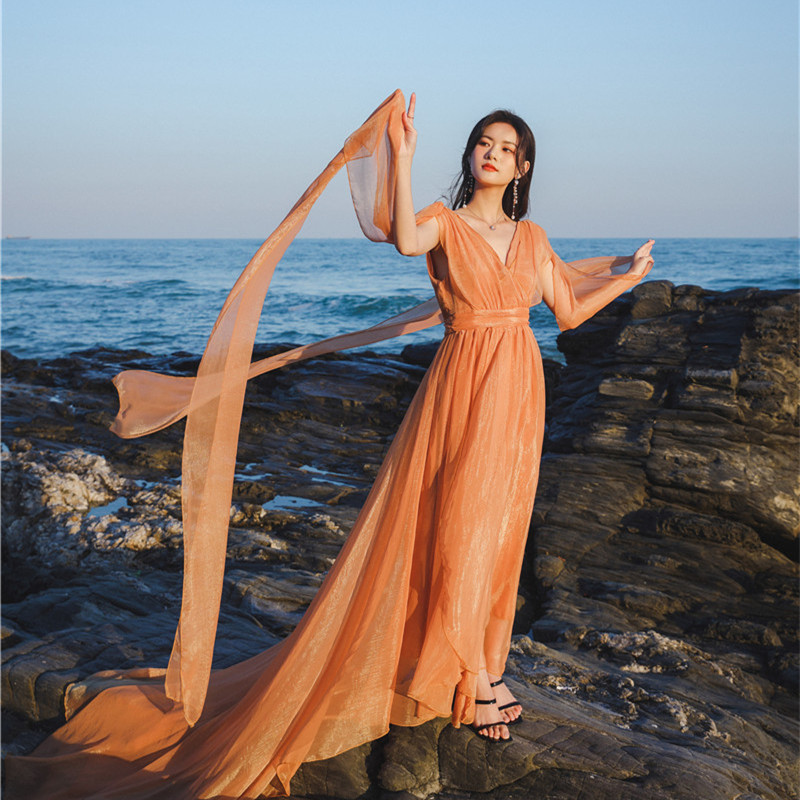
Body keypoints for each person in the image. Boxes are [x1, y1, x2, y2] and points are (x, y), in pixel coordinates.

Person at [4, 90, 653, 798]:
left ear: (523, 166)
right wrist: (401, 156)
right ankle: (475, 677)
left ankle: (478, 660)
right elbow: (402, 238)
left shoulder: (532, 238)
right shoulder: (443, 223)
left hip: (520, 392)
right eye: (483, 143)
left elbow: (565, 309)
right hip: (460, 387)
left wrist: (628, 279)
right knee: (459, 529)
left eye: (506, 148)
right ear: (472, 157)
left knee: (500, 531)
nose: (492, 154)